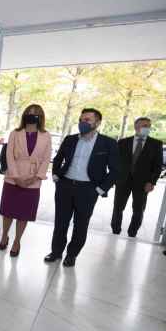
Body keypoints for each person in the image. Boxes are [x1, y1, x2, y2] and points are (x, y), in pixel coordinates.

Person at [45, 108, 119, 267]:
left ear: (97, 123)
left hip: (88, 190)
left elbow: (115, 171)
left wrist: (100, 189)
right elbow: (58, 159)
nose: (82, 123)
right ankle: (56, 252)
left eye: (87, 120)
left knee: (81, 225)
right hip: (65, 186)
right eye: (81, 119)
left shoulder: (108, 143)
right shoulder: (70, 139)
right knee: (60, 223)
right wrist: (56, 175)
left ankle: (72, 255)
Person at [0, 104, 52, 257]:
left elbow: (47, 158)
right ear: (24, 115)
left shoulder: (46, 135)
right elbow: (8, 155)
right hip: (13, 178)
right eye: (29, 112)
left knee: (24, 213)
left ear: (40, 117)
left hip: (33, 179)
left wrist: (36, 177)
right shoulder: (15, 133)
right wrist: (16, 177)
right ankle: (4, 235)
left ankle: (17, 240)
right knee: (8, 211)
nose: (32, 115)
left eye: (35, 114)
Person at [111, 117, 163, 237]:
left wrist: (152, 182)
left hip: (143, 183)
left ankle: (132, 232)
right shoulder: (123, 142)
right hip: (123, 181)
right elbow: (116, 162)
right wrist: (114, 177)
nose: (147, 128)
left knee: (138, 210)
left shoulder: (156, 144)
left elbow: (158, 165)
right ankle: (115, 230)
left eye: (148, 126)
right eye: (144, 125)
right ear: (136, 126)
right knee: (118, 207)